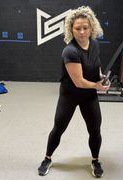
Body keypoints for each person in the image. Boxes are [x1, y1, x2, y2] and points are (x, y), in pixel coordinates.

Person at [37, 6, 110, 178]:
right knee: (58, 128)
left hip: (89, 95)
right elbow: (79, 81)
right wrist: (97, 86)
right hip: (70, 94)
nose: (82, 32)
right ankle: (47, 158)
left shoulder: (95, 44)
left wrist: (100, 77)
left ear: (91, 27)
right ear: (71, 29)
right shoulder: (70, 51)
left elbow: (95, 64)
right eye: (78, 28)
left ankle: (95, 160)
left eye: (85, 27)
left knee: (95, 129)